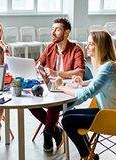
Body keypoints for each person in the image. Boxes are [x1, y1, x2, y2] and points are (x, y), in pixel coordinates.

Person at [54, 30, 116, 160]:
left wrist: (61, 87)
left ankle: (88, 156)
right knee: (67, 115)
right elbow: (98, 82)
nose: (86, 47)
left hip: (113, 117)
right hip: (108, 112)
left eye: (91, 44)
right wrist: (83, 82)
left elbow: (85, 95)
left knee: (66, 120)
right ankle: (90, 154)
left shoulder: (108, 67)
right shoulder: (108, 65)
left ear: (100, 46)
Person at [29, 17, 86, 151]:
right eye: (52, 29)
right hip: (51, 87)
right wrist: (35, 68)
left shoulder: (77, 50)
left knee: (53, 104)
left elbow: (79, 73)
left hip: (68, 89)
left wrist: (57, 73)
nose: (53, 33)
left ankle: (48, 133)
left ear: (67, 33)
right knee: (30, 101)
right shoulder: (49, 48)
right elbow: (38, 64)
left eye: (58, 30)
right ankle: (56, 130)